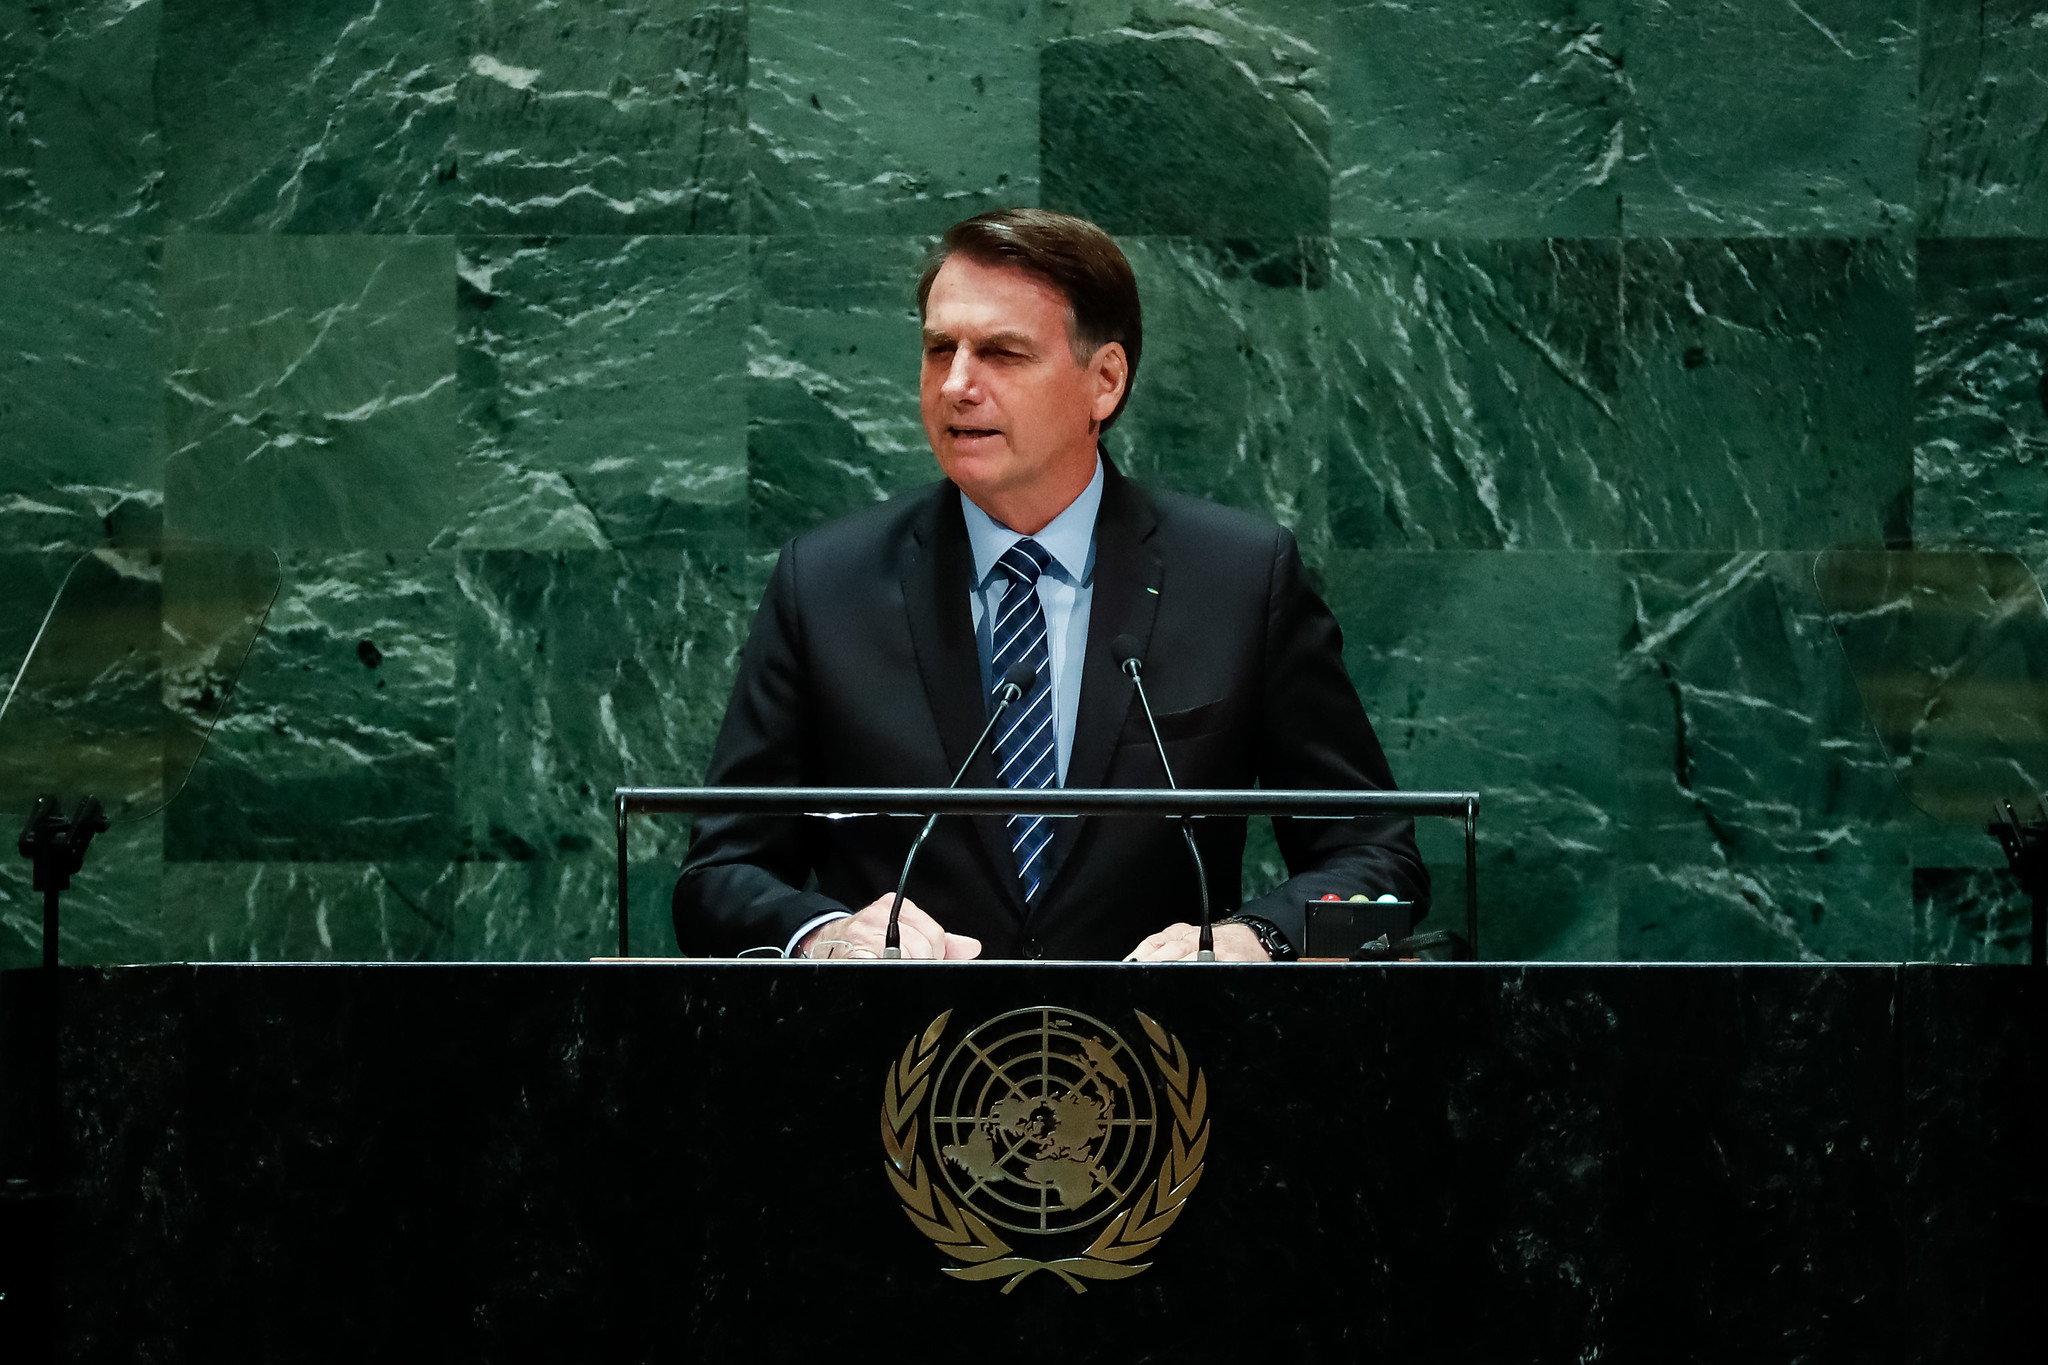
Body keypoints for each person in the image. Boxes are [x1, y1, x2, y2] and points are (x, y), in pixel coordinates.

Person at [672, 209, 1427, 962]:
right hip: (901, 1066)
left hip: (1165, 1064)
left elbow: (1386, 878)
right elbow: (715, 879)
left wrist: (1256, 939)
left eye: (1001, 353)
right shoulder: (826, 584)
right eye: (941, 350)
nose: (958, 384)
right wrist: (823, 935)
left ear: (1104, 381)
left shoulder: (1239, 577)